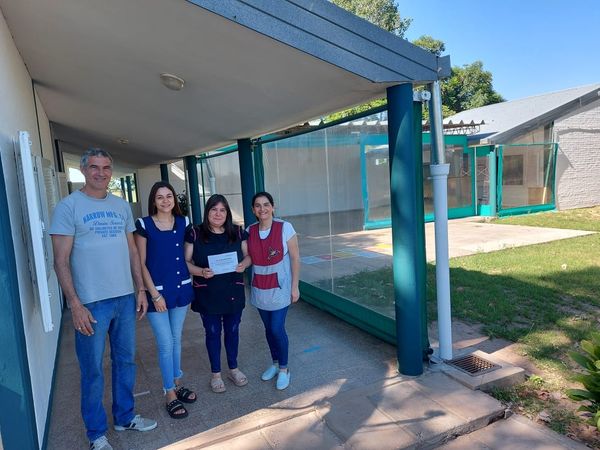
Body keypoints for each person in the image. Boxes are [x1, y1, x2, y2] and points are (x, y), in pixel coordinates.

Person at [50, 148, 156, 450]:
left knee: (125, 361)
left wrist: (140, 290)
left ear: (112, 171)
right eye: (94, 167)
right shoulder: (68, 206)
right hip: (92, 304)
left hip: (124, 297)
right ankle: (96, 433)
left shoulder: (122, 206)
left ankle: (125, 417)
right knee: (93, 369)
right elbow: (60, 260)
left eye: (106, 168)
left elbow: (133, 252)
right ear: (83, 170)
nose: (101, 173)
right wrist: (75, 303)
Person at [134, 181, 196, 419]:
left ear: (174, 199)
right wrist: (154, 295)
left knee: (176, 339)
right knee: (165, 343)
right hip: (157, 293)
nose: (165, 201)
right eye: (160, 197)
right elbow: (140, 264)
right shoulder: (144, 225)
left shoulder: (184, 222)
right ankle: (169, 392)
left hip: (181, 289)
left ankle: (177, 382)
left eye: (169, 196)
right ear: (153, 201)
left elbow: (189, 254)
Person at [185, 194, 251, 393]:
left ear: (227, 213)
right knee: (212, 333)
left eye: (222, 210)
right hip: (208, 292)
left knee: (232, 331)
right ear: (207, 212)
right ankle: (215, 374)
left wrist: (243, 265)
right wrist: (200, 272)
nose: (218, 214)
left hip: (233, 289)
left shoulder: (238, 232)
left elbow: (248, 256)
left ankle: (233, 368)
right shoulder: (195, 233)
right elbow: (186, 262)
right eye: (214, 209)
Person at [246, 192, 300, 390]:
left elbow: (295, 258)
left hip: (280, 288)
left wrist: (295, 287)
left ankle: (285, 369)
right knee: (268, 330)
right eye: (258, 206)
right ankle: (275, 363)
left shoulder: (285, 228)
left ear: (273, 207)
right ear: (253, 210)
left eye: (266, 205)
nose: (262, 209)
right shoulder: (249, 231)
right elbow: (249, 257)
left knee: (277, 328)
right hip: (260, 288)